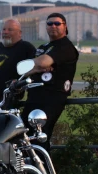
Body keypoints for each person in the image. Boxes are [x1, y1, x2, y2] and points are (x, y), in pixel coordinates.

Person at [20, 13, 80, 152]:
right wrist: (36, 67)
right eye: (49, 23)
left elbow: (41, 63)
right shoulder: (44, 47)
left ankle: (44, 171)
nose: (53, 26)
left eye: (57, 23)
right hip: (34, 98)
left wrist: (37, 66)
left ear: (65, 26)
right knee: (24, 136)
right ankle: (28, 171)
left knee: (39, 137)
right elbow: (26, 67)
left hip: (51, 99)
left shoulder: (65, 47)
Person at [0, 19, 36, 102]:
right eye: (4, 29)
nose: (5, 32)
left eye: (10, 30)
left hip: (8, 101)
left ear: (20, 33)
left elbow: (36, 67)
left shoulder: (25, 48)